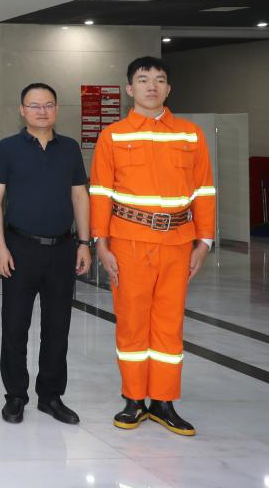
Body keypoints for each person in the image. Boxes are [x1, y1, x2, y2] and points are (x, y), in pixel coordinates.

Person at [90, 56, 215, 436]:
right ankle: (133, 400)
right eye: (143, 80)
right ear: (130, 88)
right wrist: (100, 243)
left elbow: (204, 191)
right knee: (132, 323)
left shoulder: (190, 134)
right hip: (129, 241)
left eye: (159, 80)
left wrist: (204, 241)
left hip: (178, 242)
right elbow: (100, 192)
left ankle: (163, 401)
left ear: (168, 88)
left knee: (168, 325)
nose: (151, 86)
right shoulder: (114, 135)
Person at [0, 83, 91, 425]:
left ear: (56, 109)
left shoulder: (69, 149)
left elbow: (80, 196)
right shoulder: (6, 149)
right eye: (34, 105)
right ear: (22, 110)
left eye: (48, 105)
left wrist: (84, 242)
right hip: (20, 247)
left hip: (63, 248)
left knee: (57, 326)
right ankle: (15, 395)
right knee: (15, 325)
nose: (42, 111)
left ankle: (51, 396)